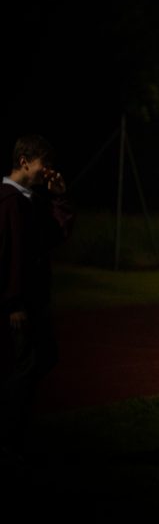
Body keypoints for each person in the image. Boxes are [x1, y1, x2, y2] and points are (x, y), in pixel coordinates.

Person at [0, 135, 73, 461]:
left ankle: (19, 430)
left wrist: (59, 198)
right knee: (22, 366)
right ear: (24, 161)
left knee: (42, 357)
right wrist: (13, 303)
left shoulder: (30, 199)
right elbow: (8, 256)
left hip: (34, 300)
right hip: (19, 304)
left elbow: (56, 235)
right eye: (43, 163)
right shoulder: (9, 201)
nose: (48, 171)